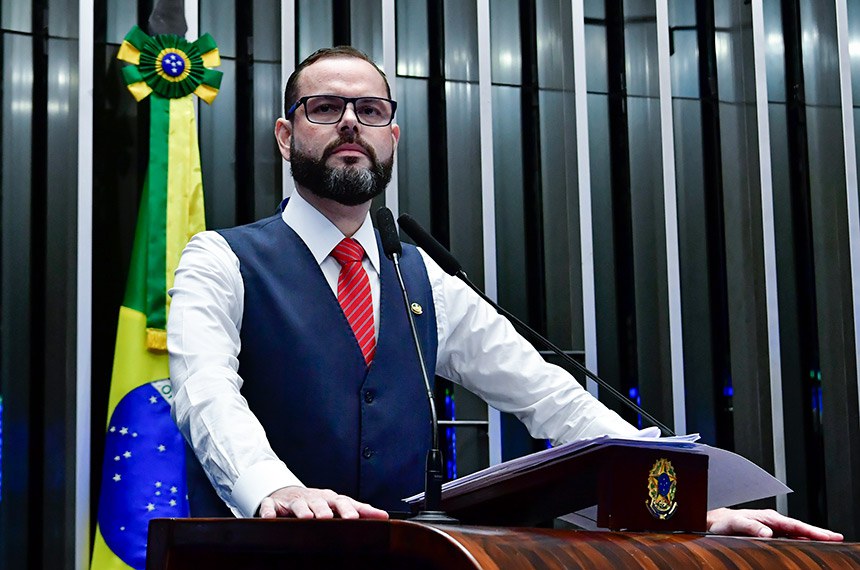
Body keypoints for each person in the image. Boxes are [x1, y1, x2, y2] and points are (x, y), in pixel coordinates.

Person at [167, 46, 842, 541]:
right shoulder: (220, 261)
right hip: (258, 553)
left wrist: (676, 505)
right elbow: (206, 397)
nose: (350, 123)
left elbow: (549, 397)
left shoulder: (422, 278)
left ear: (391, 136)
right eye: (325, 107)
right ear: (287, 135)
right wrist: (275, 489)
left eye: (370, 110)